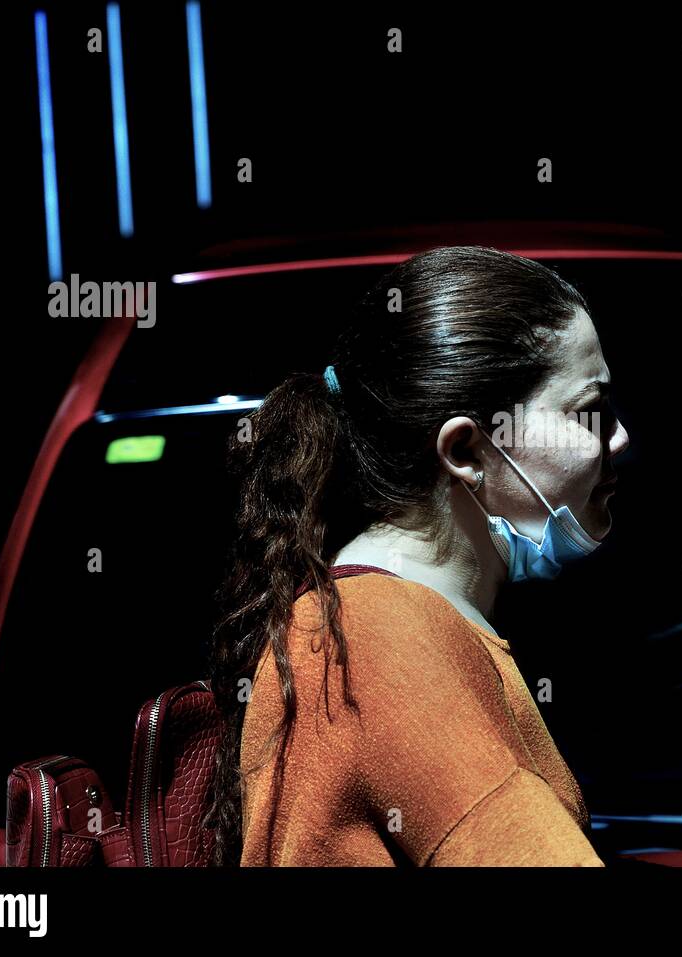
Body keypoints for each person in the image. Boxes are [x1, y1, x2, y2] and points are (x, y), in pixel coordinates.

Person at [204, 246, 629, 866]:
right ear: (467, 451)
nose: (619, 435)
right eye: (587, 411)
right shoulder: (384, 641)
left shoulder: (365, 620)